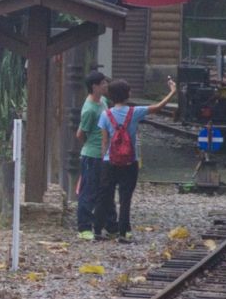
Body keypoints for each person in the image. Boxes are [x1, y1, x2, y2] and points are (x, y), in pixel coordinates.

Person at [93, 77, 177, 243]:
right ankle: (123, 234)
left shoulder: (105, 114)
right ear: (127, 94)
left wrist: (104, 159)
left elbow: (104, 142)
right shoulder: (135, 112)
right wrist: (172, 91)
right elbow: (159, 107)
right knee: (125, 198)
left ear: (111, 96)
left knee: (104, 196)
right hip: (130, 161)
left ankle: (97, 231)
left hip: (110, 161)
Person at [75, 71, 116, 239]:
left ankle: (111, 225)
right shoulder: (89, 110)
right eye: (103, 83)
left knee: (106, 191)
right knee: (89, 191)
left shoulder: (103, 101)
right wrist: (92, 144)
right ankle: (84, 227)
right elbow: (80, 134)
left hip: (105, 154)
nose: (106, 85)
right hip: (92, 155)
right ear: (95, 86)